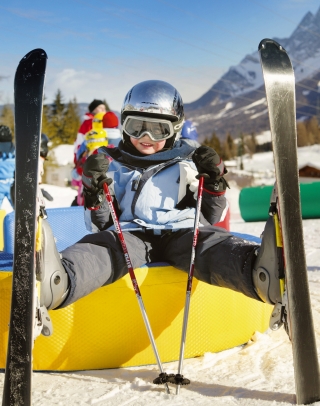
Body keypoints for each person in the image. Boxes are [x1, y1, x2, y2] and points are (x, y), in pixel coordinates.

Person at [40, 80, 281, 319]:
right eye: (137, 127)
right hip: (131, 235)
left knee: (210, 245)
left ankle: (257, 272)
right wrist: (95, 192)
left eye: (158, 130)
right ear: (124, 126)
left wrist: (213, 184)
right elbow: (100, 224)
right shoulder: (115, 164)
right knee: (103, 248)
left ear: (175, 129)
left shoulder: (189, 162)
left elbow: (210, 216)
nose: (146, 137)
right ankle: (61, 280)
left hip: (182, 232)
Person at [73, 99, 107, 164]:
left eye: (104, 108)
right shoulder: (89, 123)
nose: (103, 110)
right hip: (91, 159)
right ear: (93, 110)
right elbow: (80, 143)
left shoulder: (103, 122)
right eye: (100, 108)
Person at [0, 125, 15, 211]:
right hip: (12, 184)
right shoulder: (14, 151)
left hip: (11, 184)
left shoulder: (14, 152)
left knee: (19, 209)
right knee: (19, 210)